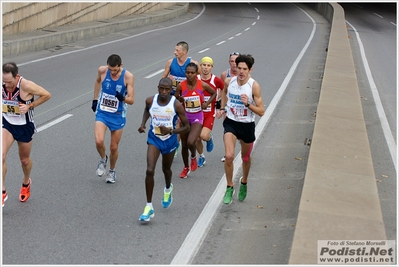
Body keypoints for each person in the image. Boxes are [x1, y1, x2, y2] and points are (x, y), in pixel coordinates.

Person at [137, 78, 190, 222]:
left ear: (171, 89)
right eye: (161, 89)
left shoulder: (176, 105)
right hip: (154, 138)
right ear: (158, 88)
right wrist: (143, 124)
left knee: (166, 169)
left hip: (169, 140)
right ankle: (148, 207)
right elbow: (147, 110)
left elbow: (186, 126)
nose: (164, 92)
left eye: (167, 89)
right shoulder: (150, 100)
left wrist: (172, 131)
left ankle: (168, 188)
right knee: (149, 170)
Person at [215, 54, 265, 204]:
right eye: (239, 68)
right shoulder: (229, 82)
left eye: (244, 69)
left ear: (250, 70)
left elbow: (261, 111)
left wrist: (248, 104)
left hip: (247, 125)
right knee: (229, 156)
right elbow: (224, 92)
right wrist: (223, 108)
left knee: (245, 158)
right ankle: (230, 186)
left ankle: (244, 181)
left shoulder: (253, 86)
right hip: (231, 122)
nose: (241, 72)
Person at [2, 62, 51, 207]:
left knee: (24, 160)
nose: (7, 85)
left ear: (16, 77)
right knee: (1, 156)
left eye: (9, 82)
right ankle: (2, 191)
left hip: (24, 127)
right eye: (4, 81)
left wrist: (29, 106)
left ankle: (26, 182)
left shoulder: (26, 85)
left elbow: (47, 95)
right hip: (7, 124)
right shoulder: (3, 84)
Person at [92, 54, 134, 183]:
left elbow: (132, 100)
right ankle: (103, 158)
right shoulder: (103, 71)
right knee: (99, 141)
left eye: (115, 70)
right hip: (103, 112)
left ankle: (112, 170)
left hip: (117, 115)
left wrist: (123, 98)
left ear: (120, 66)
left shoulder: (128, 77)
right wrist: (95, 99)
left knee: (114, 147)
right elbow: (98, 81)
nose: (112, 72)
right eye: (110, 69)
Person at [175, 63, 216, 178]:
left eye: (192, 73)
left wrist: (207, 103)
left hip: (197, 117)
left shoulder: (201, 84)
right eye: (187, 72)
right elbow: (175, 98)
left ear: (196, 73)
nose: (190, 75)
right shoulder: (181, 86)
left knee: (190, 142)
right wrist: (180, 99)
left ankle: (193, 156)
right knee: (183, 145)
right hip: (184, 118)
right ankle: (185, 167)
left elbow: (214, 93)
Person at [162, 41, 199, 157]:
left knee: (184, 123)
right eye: (175, 50)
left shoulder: (192, 63)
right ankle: (175, 145)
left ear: (184, 51)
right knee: (175, 122)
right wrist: (168, 78)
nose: (175, 52)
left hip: (187, 98)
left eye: (177, 50)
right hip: (173, 97)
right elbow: (162, 79)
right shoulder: (170, 62)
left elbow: (198, 83)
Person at [196, 56, 225, 168]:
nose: (206, 68)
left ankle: (209, 138)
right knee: (197, 138)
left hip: (209, 113)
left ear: (212, 67)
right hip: (196, 113)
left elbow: (224, 89)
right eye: (204, 65)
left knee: (203, 136)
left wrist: (219, 101)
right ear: (200, 66)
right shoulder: (196, 78)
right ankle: (201, 156)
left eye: (208, 66)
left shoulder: (216, 80)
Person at [219, 52, 240, 162]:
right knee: (228, 129)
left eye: (236, 61)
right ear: (229, 62)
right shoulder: (224, 74)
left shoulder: (244, 74)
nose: (234, 64)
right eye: (232, 61)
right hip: (228, 106)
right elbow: (223, 91)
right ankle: (227, 152)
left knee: (238, 131)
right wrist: (221, 106)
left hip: (240, 106)